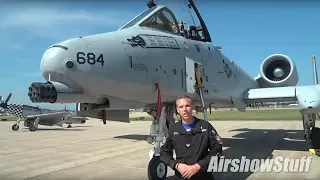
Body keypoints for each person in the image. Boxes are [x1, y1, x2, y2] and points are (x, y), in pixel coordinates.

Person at [160, 95, 223, 180]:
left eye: (187, 106)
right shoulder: (173, 129)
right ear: (177, 110)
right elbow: (164, 153)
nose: (184, 110)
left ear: (192, 107)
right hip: (182, 175)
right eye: (181, 107)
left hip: (203, 175)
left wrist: (197, 166)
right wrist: (177, 165)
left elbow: (217, 151)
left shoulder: (205, 126)